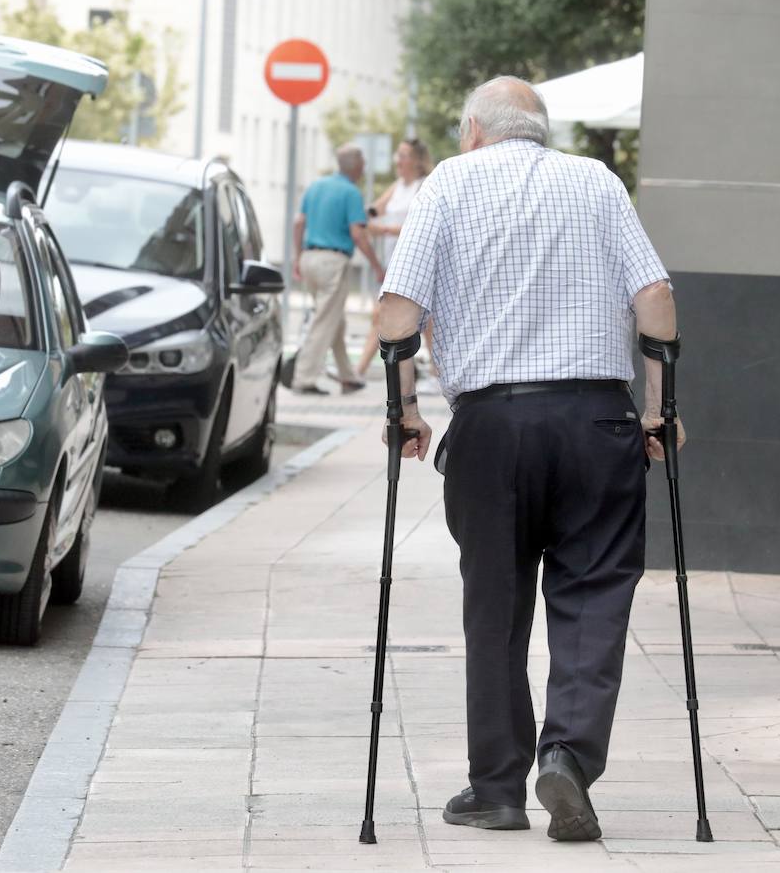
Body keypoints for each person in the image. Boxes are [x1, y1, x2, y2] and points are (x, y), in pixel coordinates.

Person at [375, 76, 685, 843]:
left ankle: (497, 790)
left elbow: (396, 314)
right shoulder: (597, 181)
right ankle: (569, 760)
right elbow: (654, 296)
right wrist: (660, 406)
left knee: (496, 606)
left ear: (474, 130)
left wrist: (404, 411)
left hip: (491, 427)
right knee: (594, 594)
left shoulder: (448, 183)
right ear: (538, 130)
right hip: (595, 420)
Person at [289, 144, 385, 395]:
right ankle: (303, 378)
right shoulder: (351, 193)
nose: (364, 169)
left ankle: (347, 376)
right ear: (356, 167)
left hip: (310, 258)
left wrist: (297, 258)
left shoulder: (316, 186)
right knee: (324, 321)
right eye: (363, 164)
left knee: (334, 320)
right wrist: (376, 265)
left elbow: (299, 223)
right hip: (333, 262)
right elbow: (358, 234)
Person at [356, 138, 436, 383]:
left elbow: (422, 225)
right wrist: (362, 217)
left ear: (416, 160)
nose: (397, 160)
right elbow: (376, 209)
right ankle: (436, 371)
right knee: (423, 322)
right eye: (397, 155)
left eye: (403, 155)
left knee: (386, 315)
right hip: (394, 261)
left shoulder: (424, 186)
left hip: (415, 262)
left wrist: (387, 230)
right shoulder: (398, 186)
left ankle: (356, 373)